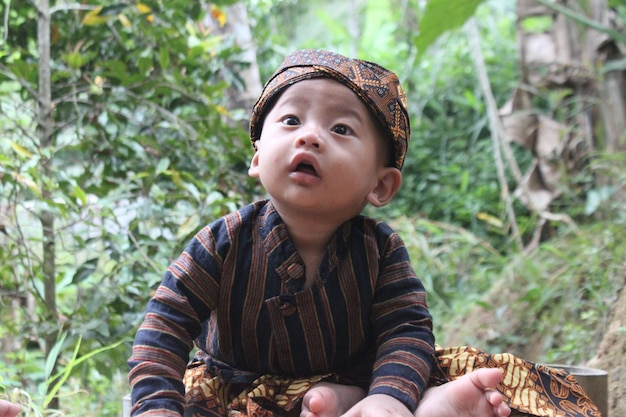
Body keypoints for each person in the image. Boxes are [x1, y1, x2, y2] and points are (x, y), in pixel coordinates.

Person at [128, 49, 599, 417]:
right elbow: (162, 329)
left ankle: (384, 403)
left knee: (478, 375)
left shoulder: (380, 250)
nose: (309, 136)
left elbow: (406, 330)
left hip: (363, 380)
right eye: (291, 120)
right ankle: (345, 400)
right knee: (197, 404)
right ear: (256, 158)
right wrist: (155, 406)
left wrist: (392, 396)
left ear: (381, 184)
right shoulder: (223, 241)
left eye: (340, 128)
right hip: (234, 386)